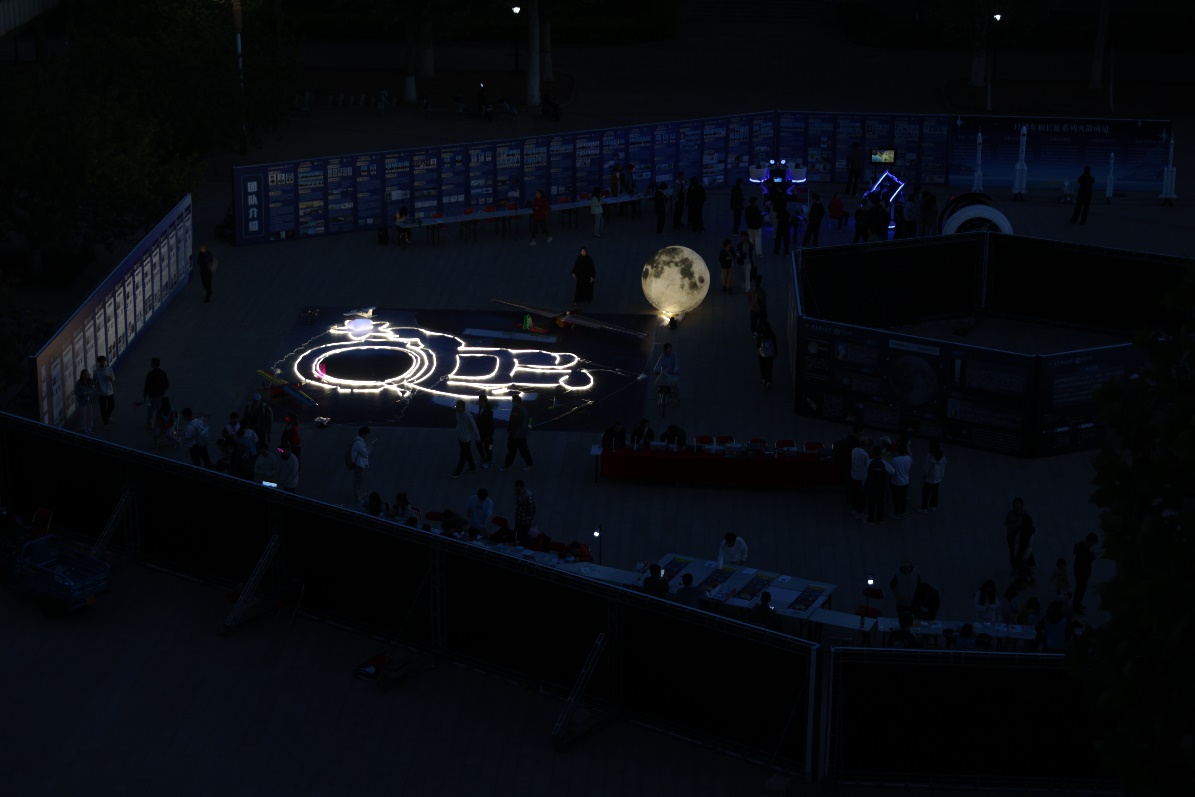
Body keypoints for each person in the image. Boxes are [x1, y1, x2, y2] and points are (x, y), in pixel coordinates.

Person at [501, 394, 534, 470]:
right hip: (514, 434)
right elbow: (512, 419)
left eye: (513, 401)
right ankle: (507, 465)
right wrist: (509, 429)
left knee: (522, 451)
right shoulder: (515, 409)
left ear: (516, 402)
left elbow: (523, 425)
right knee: (512, 451)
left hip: (520, 436)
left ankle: (529, 464)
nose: (512, 402)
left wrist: (517, 434)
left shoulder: (523, 411)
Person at [863, 446, 895, 524]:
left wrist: (863, 484)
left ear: (873, 454)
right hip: (881, 486)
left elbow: (864, 475)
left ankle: (871, 519)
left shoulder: (869, 462)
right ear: (880, 454)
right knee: (880, 502)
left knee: (871, 502)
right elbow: (892, 471)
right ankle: (879, 519)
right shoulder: (884, 462)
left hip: (871, 486)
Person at [450, 399, 479, 478]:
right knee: (467, 453)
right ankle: (473, 467)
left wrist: (478, 437)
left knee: (462, 456)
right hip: (460, 437)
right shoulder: (458, 413)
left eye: (458, 407)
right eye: (456, 406)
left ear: (463, 407)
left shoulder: (468, 416)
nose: (456, 408)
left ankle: (458, 472)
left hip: (466, 440)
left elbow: (474, 427)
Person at [1072, 532, 1099, 615]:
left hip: (1081, 572)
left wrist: (1091, 554)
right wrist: (1092, 557)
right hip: (1081, 572)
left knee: (1081, 589)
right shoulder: (1083, 548)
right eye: (1093, 543)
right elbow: (1085, 561)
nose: (1093, 545)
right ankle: (1076, 607)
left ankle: (1077, 604)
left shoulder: (1083, 547)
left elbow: (1084, 557)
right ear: (1089, 541)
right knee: (1080, 589)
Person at [918, 440, 946, 512]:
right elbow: (943, 466)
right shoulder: (942, 456)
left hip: (929, 478)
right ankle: (933, 506)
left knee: (925, 493)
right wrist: (941, 475)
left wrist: (924, 475)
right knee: (935, 492)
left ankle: (924, 507)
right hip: (937, 478)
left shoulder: (930, 456)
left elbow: (926, 467)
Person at [142, 357, 169, 430]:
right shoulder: (163, 373)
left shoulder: (150, 374)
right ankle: (157, 424)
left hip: (151, 395)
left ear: (154, 364)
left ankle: (149, 423)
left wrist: (145, 395)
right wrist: (162, 390)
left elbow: (146, 385)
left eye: (151, 363)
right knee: (159, 410)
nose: (150, 364)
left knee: (151, 410)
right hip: (160, 395)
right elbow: (167, 384)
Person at [350, 426, 375, 501]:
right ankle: (357, 495)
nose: (367, 436)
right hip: (358, 464)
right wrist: (371, 447)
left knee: (359, 479)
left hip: (359, 463)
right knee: (358, 480)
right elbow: (365, 453)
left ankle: (359, 493)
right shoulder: (358, 443)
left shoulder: (359, 441)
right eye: (367, 434)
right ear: (363, 434)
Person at [889, 440, 913, 519]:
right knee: (903, 498)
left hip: (896, 482)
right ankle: (903, 512)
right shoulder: (909, 459)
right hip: (905, 481)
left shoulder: (895, 460)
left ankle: (897, 513)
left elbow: (891, 470)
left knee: (896, 498)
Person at [849, 436, 870, 520]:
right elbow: (868, 464)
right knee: (861, 496)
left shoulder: (854, 450)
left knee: (855, 494)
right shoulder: (864, 454)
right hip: (861, 477)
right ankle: (859, 512)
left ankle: (854, 509)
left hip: (853, 474)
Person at [1004, 498, 1027, 571]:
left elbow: (1028, 524)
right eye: (1016, 504)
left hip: (1021, 536)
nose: (1017, 506)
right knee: (1012, 551)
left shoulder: (1024, 514)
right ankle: (1013, 567)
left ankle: (1020, 566)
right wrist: (1015, 526)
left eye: (1019, 504)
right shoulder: (1010, 513)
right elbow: (1006, 523)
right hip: (1011, 535)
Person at [93, 355, 116, 430]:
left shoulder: (109, 369)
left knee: (112, 405)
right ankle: (105, 423)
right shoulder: (96, 372)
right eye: (101, 362)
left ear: (105, 361)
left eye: (103, 361)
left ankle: (107, 416)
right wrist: (98, 388)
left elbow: (113, 378)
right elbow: (94, 381)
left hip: (110, 390)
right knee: (103, 407)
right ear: (99, 363)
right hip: (101, 392)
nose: (102, 363)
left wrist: (111, 379)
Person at [1014, 516, 1037, 584]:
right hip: (1027, 552)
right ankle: (1031, 577)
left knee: (1022, 567)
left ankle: (1024, 582)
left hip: (1023, 554)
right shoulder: (1029, 530)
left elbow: (1022, 546)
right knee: (1025, 565)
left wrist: (1018, 556)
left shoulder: (1025, 533)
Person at [513, 479, 536, 545]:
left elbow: (532, 509)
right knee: (517, 534)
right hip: (518, 518)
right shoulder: (518, 494)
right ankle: (517, 544)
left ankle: (521, 545)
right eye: (516, 489)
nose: (517, 491)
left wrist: (529, 517)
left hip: (525, 521)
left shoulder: (528, 497)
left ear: (522, 488)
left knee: (523, 536)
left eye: (518, 489)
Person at [475, 392, 495, 469]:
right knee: (479, 444)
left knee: (489, 448)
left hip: (487, 434)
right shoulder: (481, 408)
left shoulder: (489, 411)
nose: (478, 402)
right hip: (481, 432)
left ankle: (489, 461)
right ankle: (483, 458)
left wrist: (489, 435)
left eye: (480, 401)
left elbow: (490, 423)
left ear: (483, 401)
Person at [73, 369, 96, 434]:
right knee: (83, 415)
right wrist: (84, 393)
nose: (87, 376)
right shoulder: (79, 383)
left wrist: (91, 392)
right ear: (82, 375)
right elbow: (76, 392)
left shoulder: (89, 382)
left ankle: (89, 427)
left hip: (89, 400)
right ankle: (83, 428)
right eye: (85, 374)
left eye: (87, 374)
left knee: (89, 415)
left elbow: (93, 389)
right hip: (82, 402)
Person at [756, 318, 777, 389]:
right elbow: (775, 344)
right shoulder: (772, 335)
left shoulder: (761, 335)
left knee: (763, 366)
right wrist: (775, 352)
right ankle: (769, 381)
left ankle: (764, 378)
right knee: (769, 368)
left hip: (762, 354)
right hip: (770, 354)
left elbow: (758, 345)